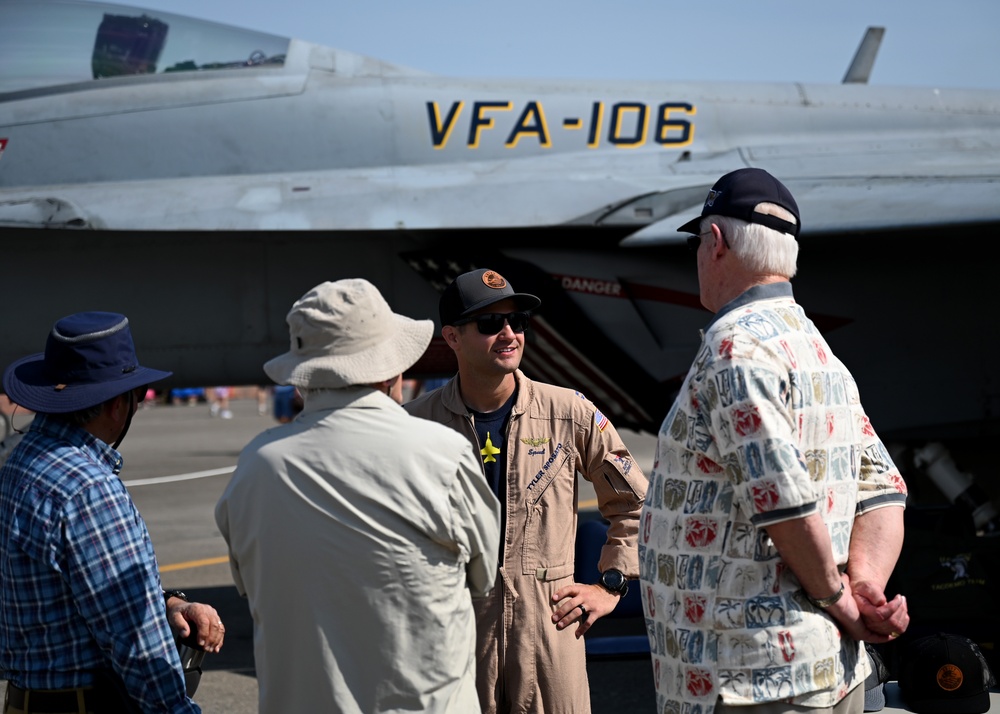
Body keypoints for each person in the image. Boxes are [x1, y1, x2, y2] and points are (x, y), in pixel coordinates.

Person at [639, 168, 910, 713]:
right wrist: (867, 589)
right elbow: (882, 489)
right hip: (820, 670)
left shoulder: (736, 348)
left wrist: (841, 600)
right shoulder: (816, 350)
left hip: (749, 676)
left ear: (715, 243)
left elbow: (781, 499)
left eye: (698, 242)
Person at [214, 279, 500, 714]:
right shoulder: (442, 454)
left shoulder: (256, 465)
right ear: (390, 371)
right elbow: (484, 576)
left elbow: (252, 584)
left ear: (302, 377)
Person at [404, 268, 649, 714]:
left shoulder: (569, 413)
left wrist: (610, 585)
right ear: (452, 337)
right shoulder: (413, 425)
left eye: (517, 322)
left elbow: (635, 504)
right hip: (452, 633)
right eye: (489, 323)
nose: (508, 333)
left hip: (550, 630)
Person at [0, 312, 225, 714]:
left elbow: (66, 596)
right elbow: (134, 640)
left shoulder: (19, 467)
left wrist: (168, 605)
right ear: (118, 404)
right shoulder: (89, 489)